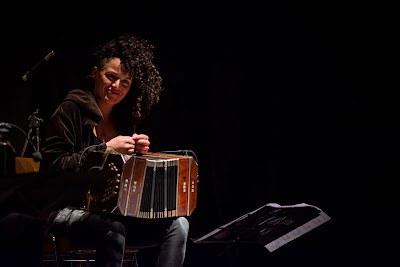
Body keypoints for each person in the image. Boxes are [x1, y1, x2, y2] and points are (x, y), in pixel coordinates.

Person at [40, 34, 189, 267]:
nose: (117, 86)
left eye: (125, 82)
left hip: (113, 215)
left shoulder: (123, 122)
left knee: (178, 224)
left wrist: (139, 158)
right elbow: (54, 166)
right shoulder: (70, 110)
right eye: (111, 76)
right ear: (94, 73)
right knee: (112, 226)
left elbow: (127, 184)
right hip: (64, 209)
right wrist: (107, 148)